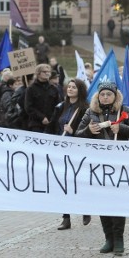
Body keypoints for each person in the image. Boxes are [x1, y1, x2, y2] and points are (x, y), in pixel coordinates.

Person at [76, 81, 129, 256]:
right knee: (102, 202)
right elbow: (77, 135)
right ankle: (109, 239)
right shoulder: (90, 112)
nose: (105, 97)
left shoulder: (124, 111)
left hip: (119, 165)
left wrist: (121, 128)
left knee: (117, 202)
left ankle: (119, 238)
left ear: (115, 96)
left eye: (109, 94)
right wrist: (88, 131)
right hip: (98, 165)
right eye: (102, 94)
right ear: (98, 96)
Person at [44, 79, 91, 230]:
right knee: (63, 182)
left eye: (74, 87)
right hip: (62, 149)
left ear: (80, 90)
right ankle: (66, 217)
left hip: (78, 150)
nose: (70, 89)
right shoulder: (60, 106)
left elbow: (88, 131)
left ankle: (85, 208)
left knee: (78, 181)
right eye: (69, 87)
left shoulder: (85, 109)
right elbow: (51, 126)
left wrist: (74, 131)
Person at [24, 64, 61, 132]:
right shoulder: (30, 89)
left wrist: (52, 119)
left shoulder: (54, 88)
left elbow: (58, 106)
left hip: (51, 125)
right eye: (44, 72)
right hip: (36, 124)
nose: (47, 73)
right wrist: (42, 118)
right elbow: (28, 107)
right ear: (38, 73)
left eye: (48, 72)